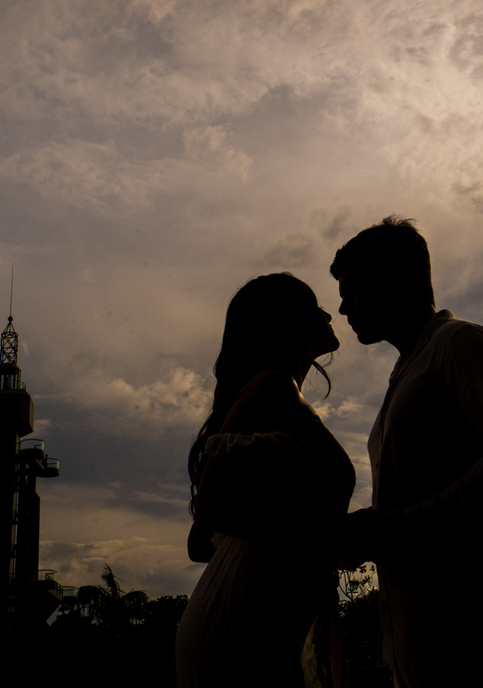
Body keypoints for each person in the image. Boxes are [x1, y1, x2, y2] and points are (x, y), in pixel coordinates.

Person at [333, 217, 483, 688]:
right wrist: (375, 526)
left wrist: (393, 528)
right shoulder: (410, 370)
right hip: (429, 636)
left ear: (396, 278)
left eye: (352, 289)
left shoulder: (461, 344)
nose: (342, 307)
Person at [176, 272, 356, 688]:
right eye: (314, 305)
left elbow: (200, 541)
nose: (330, 313)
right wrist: (325, 537)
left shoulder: (273, 397)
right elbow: (209, 512)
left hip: (242, 613)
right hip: (247, 630)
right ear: (289, 321)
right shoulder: (274, 387)